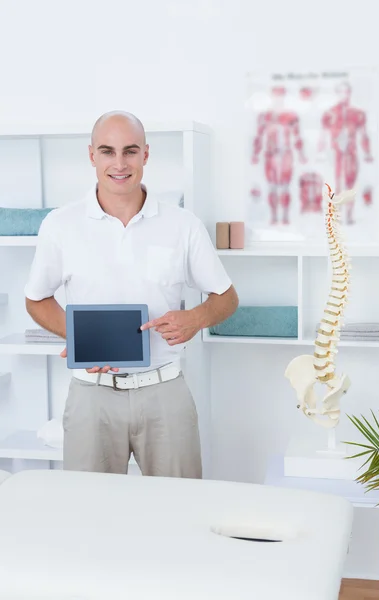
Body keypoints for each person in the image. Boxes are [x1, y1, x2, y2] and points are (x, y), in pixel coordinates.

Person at [24, 110, 239, 478]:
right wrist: (76, 338)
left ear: (146, 155)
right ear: (92, 155)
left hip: (165, 391)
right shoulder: (60, 225)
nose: (120, 163)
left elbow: (226, 297)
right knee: (91, 514)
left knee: (179, 509)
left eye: (130, 151)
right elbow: (36, 298)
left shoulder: (182, 225)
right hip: (91, 395)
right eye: (108, 152)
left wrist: (196, 318)